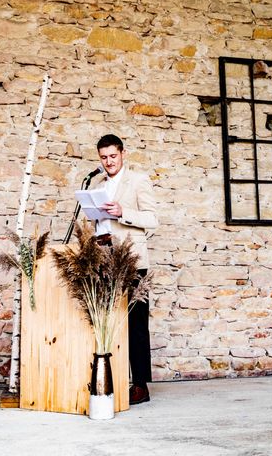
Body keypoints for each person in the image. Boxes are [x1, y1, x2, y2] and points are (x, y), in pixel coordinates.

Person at [93, 133, 158, 405]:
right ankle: (109, 378)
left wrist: (123, 212)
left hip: (131, 260)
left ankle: (140, 384)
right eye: (104, 157)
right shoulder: (96, 184)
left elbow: (153, 218)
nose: (108, 162)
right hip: (104, 258)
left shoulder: (138, 181)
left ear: (123, 154)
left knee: (135, 324)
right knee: (105, 322)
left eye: (113, 156)